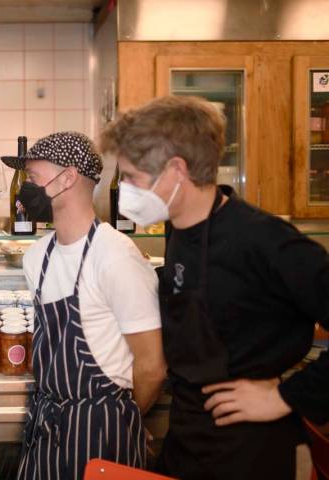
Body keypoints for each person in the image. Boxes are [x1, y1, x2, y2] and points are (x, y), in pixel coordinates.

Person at [101, 95, 329, 479]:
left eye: (132, 178)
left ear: (177, 170)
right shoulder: (180, 231)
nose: (125, 190)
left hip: (249, 451)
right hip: (188, 438)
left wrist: (285, 397)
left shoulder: (264, 240)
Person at [1, 131, 166, 479]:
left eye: (33, 177)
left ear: (69, 178)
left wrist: (123, 420)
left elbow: (152, 365)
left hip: (103, 436)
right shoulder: (37, 258)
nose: (25, 188)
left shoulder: (115, 256)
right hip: (46, 431)